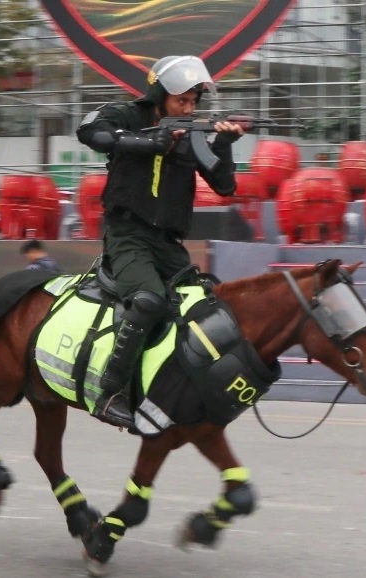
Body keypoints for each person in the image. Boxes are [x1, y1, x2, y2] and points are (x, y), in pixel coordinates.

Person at [76, 55, 244, 429]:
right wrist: (147, 142)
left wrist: (226, 143)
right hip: (128, 234)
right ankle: (110, 393)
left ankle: (183, 388)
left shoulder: (195, 132)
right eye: (181, 101)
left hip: (169, 243)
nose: (189, 108)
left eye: (193, 101)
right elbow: (90, 132)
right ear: (160, 96)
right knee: (149, 301)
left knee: (209, 306)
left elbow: (225, 186)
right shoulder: (127, 115)